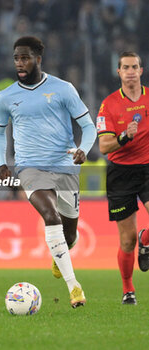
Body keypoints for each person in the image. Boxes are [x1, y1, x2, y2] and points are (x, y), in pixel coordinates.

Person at [0, 36, 96, 308]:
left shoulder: (63, 89)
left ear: (38, 58)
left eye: (25, 57)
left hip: (65, 166)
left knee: (69, 235)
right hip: (30, 167)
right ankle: (75, 289)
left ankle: (58, 255)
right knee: (50, 216)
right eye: (16, 58)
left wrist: (84, 149)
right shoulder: (5, 97)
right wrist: (2, 163)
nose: (20, 63)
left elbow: (88, 127)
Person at [97, 51, 149, 305]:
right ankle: (128, 288)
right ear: (119, 72)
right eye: (125, 67)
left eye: (134, 66)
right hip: (121, 174)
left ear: (141, 70)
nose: (130, 71)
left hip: (148, 169)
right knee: (127, 241)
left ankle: (146, 239)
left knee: (137, 239)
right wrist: (124, 138)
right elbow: (104, 146)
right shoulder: (108, 105)